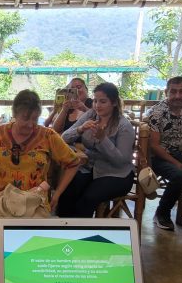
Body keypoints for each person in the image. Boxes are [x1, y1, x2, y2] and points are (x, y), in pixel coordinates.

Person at [0, 90, 82, 242]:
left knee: (34, 240)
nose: (30, 124)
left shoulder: (48, 136)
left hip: (34, 199)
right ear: (15, 114)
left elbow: (73, 163)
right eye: (25, 118)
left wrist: (58, 193)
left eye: (34, 119)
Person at [58, 83, 136, 218]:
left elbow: (121, 162)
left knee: (88, 198)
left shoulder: (124, 126)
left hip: (117, 175)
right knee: (68, 190)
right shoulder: (91, 115)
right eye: (95, 101)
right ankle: (63, 229)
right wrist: (80, 129)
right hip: (91, 168)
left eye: (103, 101)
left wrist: (103, 139)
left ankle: (81, 234)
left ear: (114, 103)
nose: (97, 105)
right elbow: (64, 137)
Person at [145, 76, 182, 230]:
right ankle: (162, 213)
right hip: (156, 157)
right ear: (166, 92)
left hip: (177, 153)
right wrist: (175, 163)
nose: (178, 96)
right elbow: (154, 146)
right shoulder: (157, 112)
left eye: (181, 91)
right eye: (173, 92)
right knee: (181, 175)